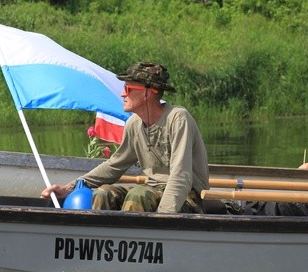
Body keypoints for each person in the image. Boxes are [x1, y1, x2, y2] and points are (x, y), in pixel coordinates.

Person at [41, 61, 210, 213]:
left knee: (138, 195)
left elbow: (181, 176)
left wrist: (164, 216)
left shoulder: (178, 118)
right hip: (151, 190)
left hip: (187, 197)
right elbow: (114, 165)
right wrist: (70, 188)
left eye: (128, 89)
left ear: (147, 93)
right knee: (103, 194)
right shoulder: (134, 124)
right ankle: (103, 243)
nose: (122, 94)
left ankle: (134, 240)